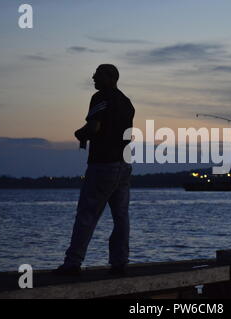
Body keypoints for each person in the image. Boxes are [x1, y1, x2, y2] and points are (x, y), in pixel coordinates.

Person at [54, 64, 135, 276]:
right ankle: (120, 262)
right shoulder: (127, 103)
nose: (93, 77)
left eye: (97, 74)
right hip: (124, 165)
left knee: (87, 215)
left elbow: (94, 127)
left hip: (103, 165)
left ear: (110, 77)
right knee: (121, 216)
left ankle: (73, 263)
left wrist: (80, 134)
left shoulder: (100, 97)